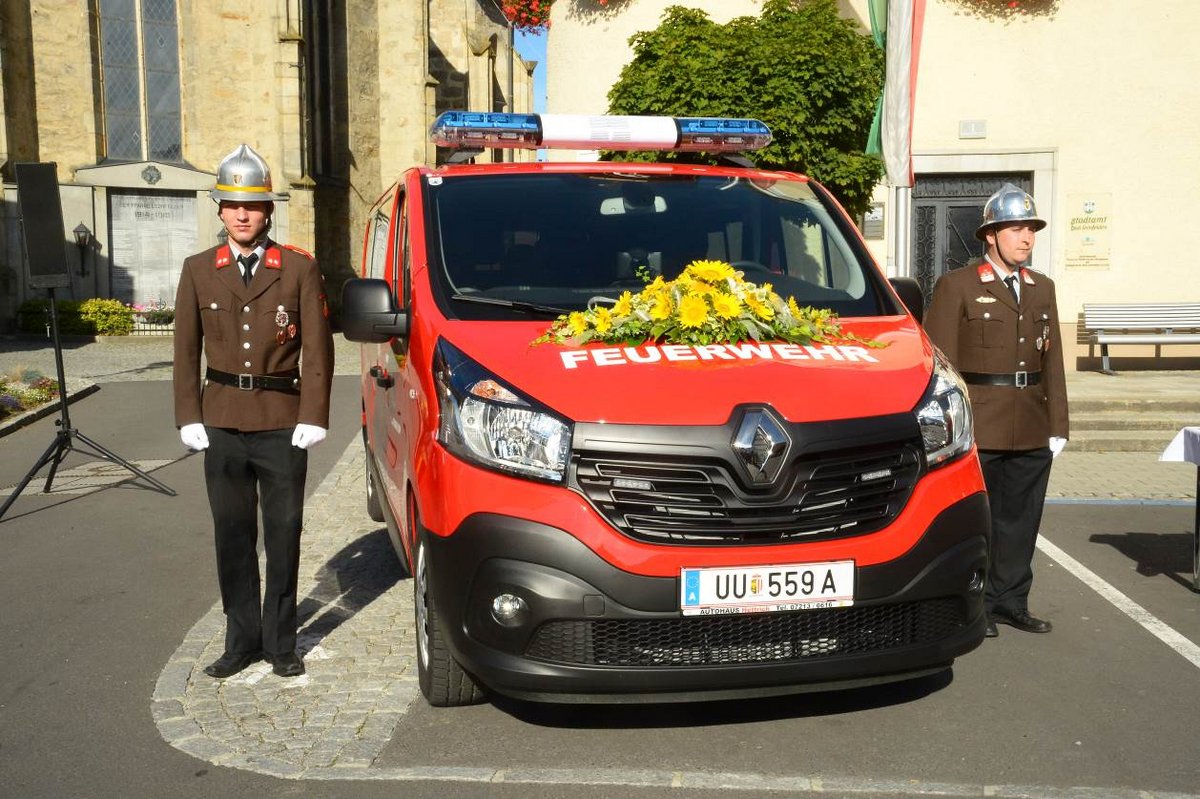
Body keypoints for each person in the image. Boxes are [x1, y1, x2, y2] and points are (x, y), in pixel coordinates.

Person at [173, 144, 334, 678]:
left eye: (254, 205)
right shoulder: (198, 270)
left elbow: (318, 349)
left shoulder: (298, 269)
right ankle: (241, 640)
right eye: (233, 205)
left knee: (283, 533)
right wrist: (188, 416)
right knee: (232, 535)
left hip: (283, 422)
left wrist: (313, 413)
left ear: (268, 211)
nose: (243, 214)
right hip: (220, 422)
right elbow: (184, 350)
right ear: (220, 209)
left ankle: (281, 643)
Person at [923, 183, 1069, 639]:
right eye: (1015, 229)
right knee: (979, 519)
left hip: (1030, 419)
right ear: (991, 235)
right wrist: (948, 428)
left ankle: (1012, 601)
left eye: (1030, 229)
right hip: (980, 422)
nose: (1025, 237)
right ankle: (978, 604)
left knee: (1023, 521)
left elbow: (1054, 361)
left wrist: (1058, 424)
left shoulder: (1041, 288)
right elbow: (941, 363)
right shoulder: (958, 285)